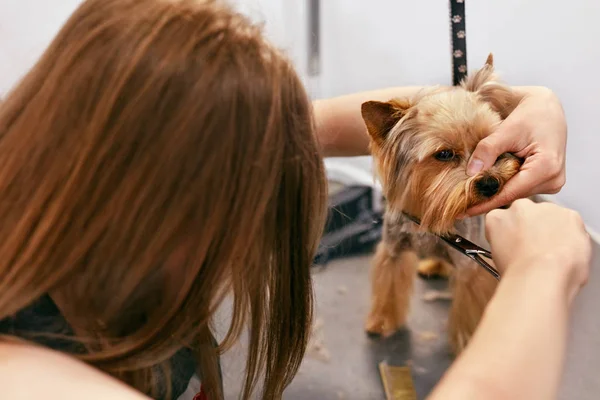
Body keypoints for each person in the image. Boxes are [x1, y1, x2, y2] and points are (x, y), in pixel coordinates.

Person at [0, 1, 589, 400]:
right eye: (250, 195)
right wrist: (543, 272)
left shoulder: (55, 192)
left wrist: (525, 100)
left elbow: (356, 121)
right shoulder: (28, 374)